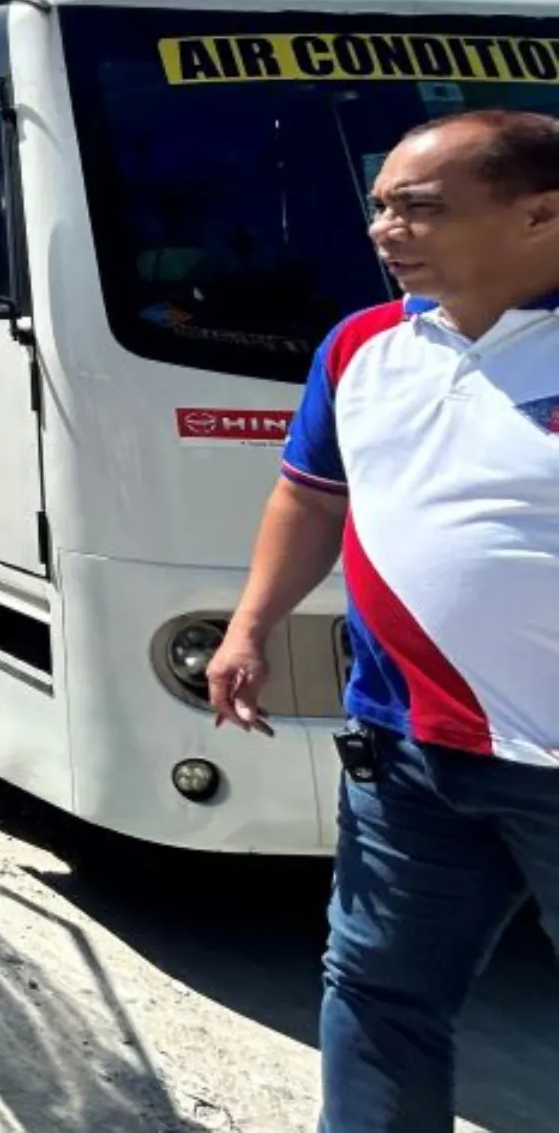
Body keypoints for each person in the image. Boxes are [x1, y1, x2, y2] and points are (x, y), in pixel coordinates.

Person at [208, 107, 559, 1131]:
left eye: (419, 208)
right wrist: (248, 626)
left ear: (540, 214)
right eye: (380, 203)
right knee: (377, 994)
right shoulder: (361, 346)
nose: (382, 229)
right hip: (405, 756)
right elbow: (311, 496)